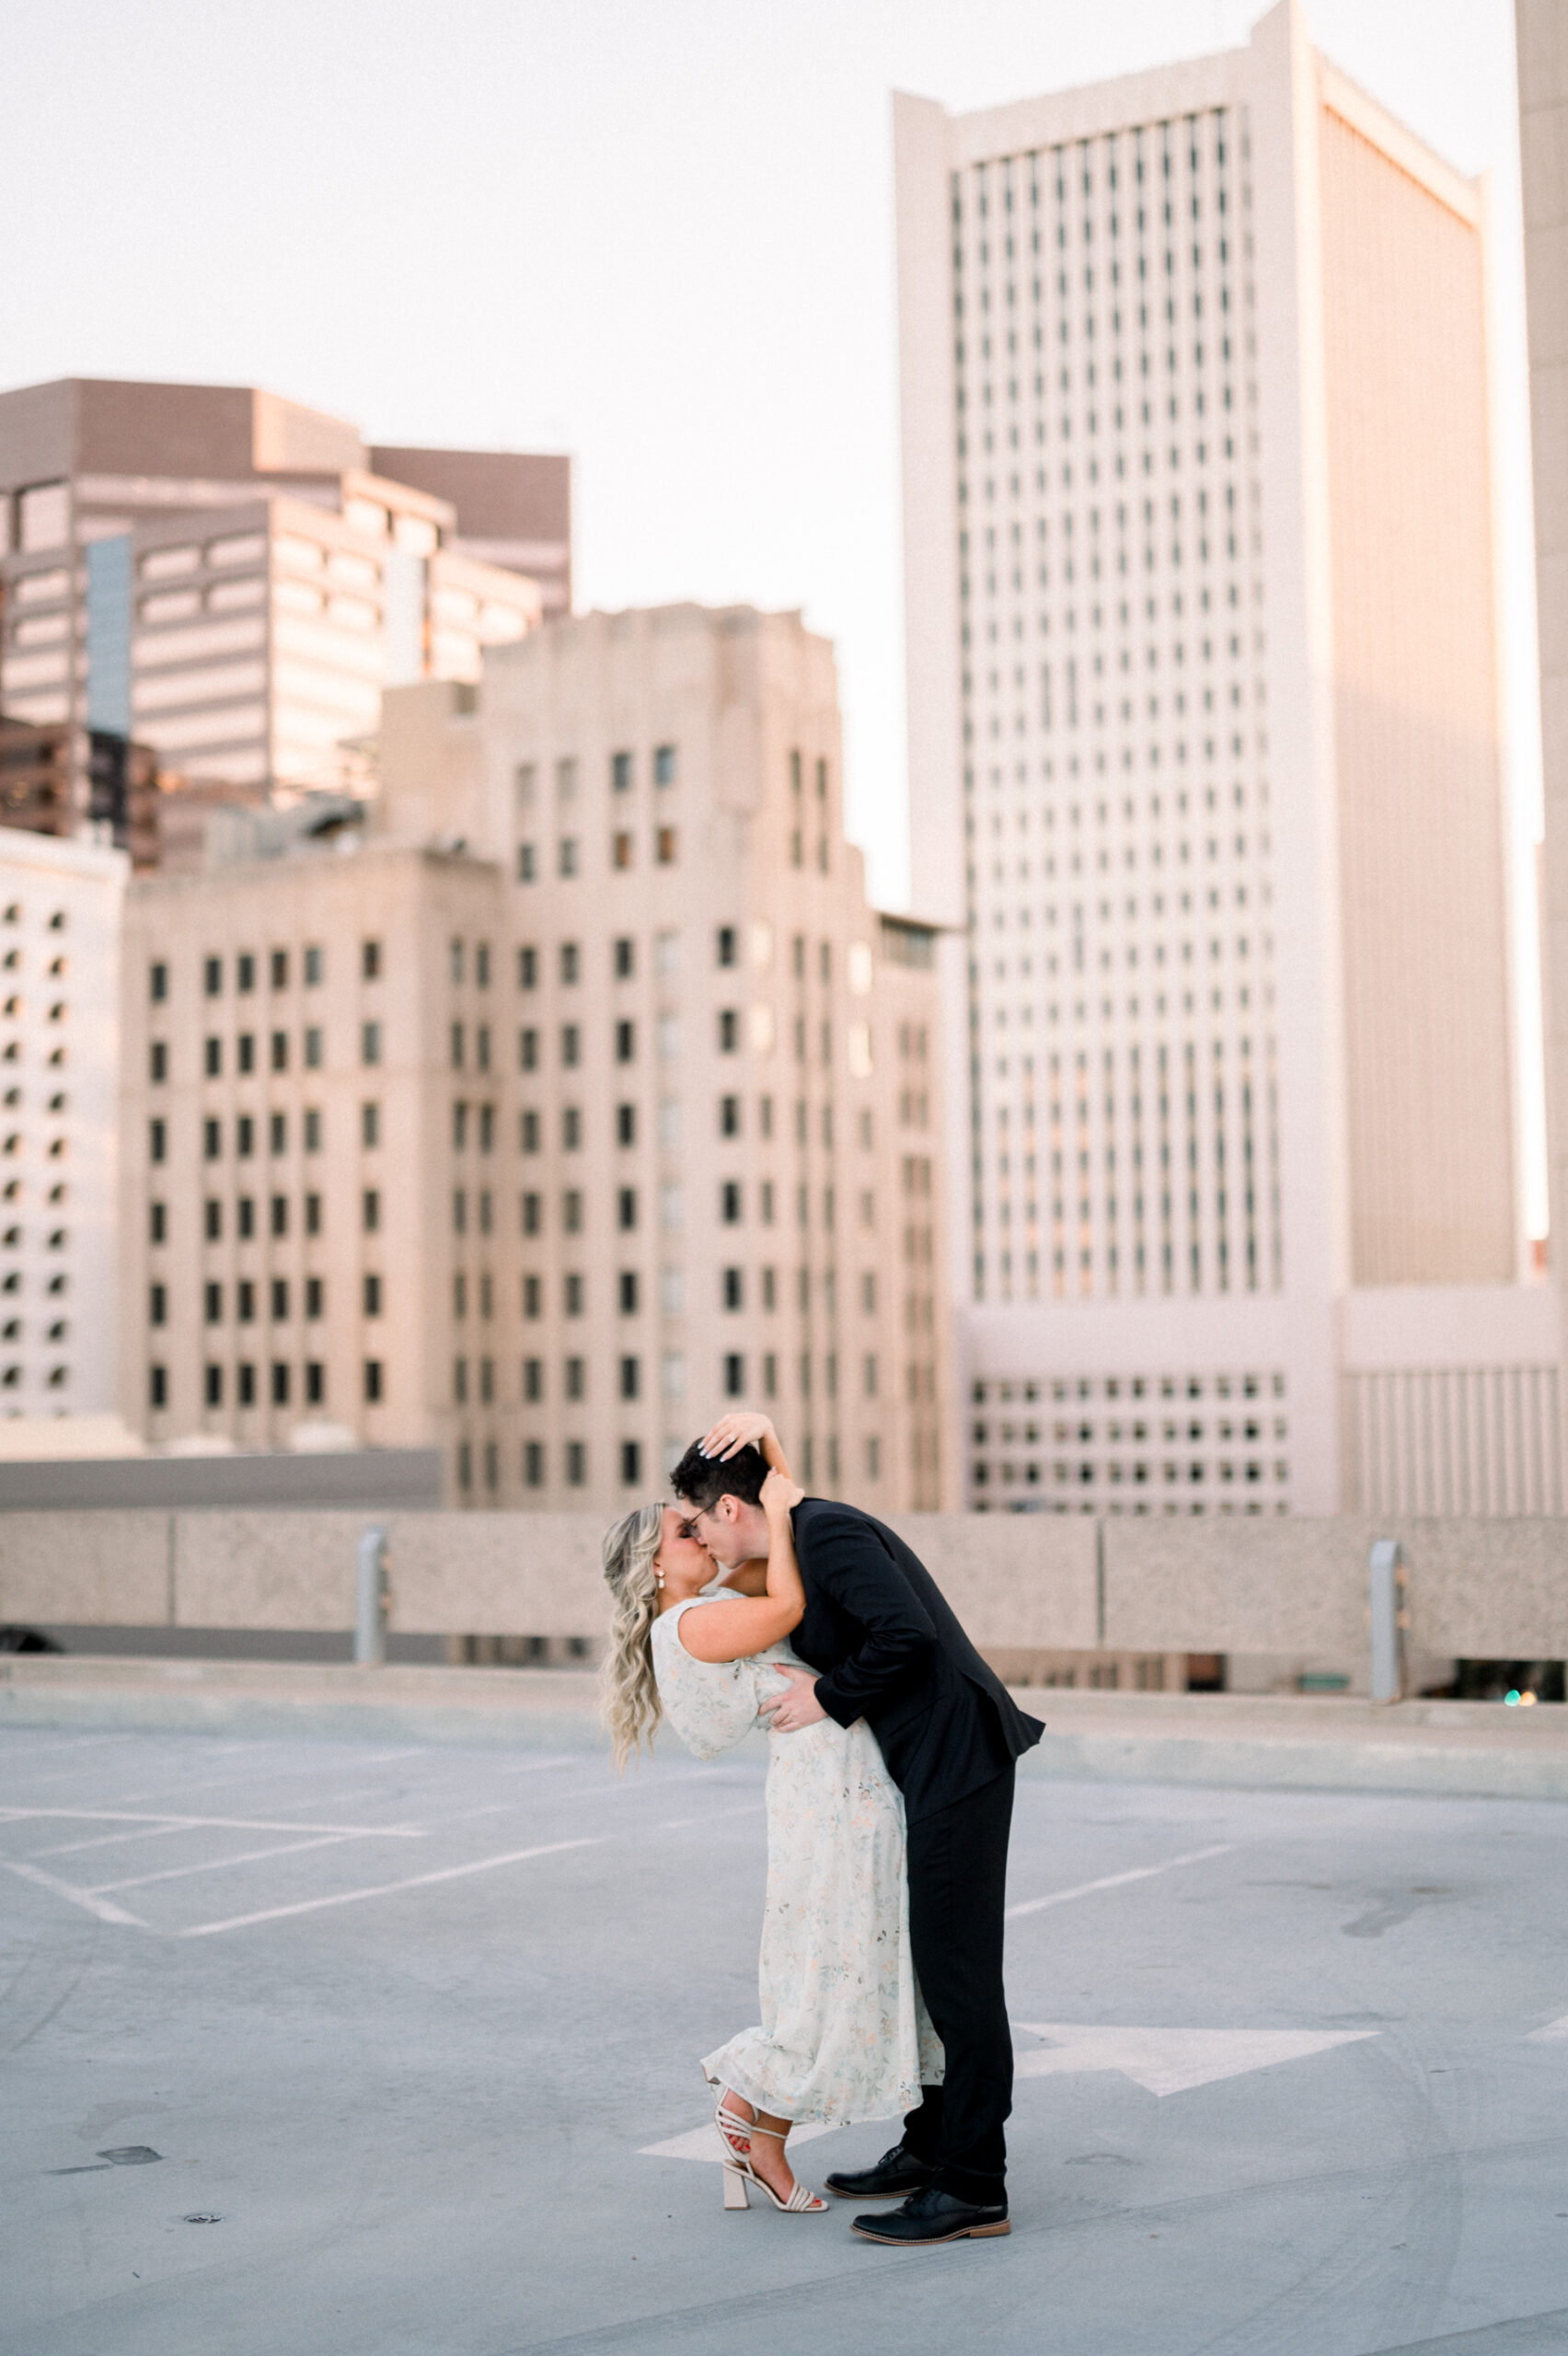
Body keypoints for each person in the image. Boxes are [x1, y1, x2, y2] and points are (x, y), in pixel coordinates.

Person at [672, 1413, 1043, 2248]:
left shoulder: (828, 1531)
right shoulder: (799, 1539)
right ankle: (929, 2145)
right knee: (927, 1968)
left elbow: (905, 1634)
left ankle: (975, 2186)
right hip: (926, 1769)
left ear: (730, 1511)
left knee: (961, 1982)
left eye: (695, 1520)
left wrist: (826, 1698)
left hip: (960, 1763)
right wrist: (768, 1449)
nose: (695, 1535)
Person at [601, 1441, 941, 2219]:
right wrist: (779, 1513)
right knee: (833, 1959)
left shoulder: (720, 1597)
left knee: (843, 1956)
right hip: (826, 1795)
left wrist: (774, 1453)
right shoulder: (686, 1625)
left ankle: (761, 2130)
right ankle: (750, 2112)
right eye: (682, 1533)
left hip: (841, 1782)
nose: (700, 1530)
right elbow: (789, 1599)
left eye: (697, 1520)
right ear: (655, 1568)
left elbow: (772, 1520)